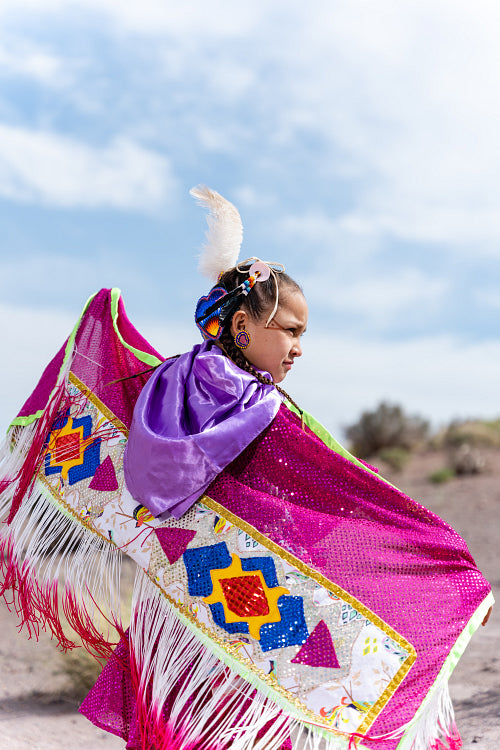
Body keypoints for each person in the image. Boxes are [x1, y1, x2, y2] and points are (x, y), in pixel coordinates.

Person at [0, 187, 493, 750]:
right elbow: (343, 494)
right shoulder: (263, 412)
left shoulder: (164, 386)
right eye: (291, 330)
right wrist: (443, 565)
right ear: (242, 326)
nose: (299, 348)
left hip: (184, 603)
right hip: (239, 608)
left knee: (180, 722)